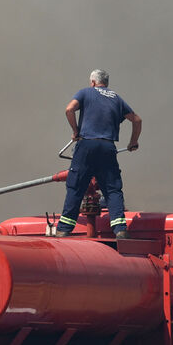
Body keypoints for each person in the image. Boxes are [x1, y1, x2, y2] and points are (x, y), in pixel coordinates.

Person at [55, 69, 142, 239]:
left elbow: (69, 109)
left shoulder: (85, 92)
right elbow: (137, 120)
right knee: (112, 189)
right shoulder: (117, 98)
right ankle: (121, 230)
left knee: (76, 186)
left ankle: (64, 229)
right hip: (108, 147)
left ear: (93, 82)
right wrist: (133, 142)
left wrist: (75, 131)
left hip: (86, 144)